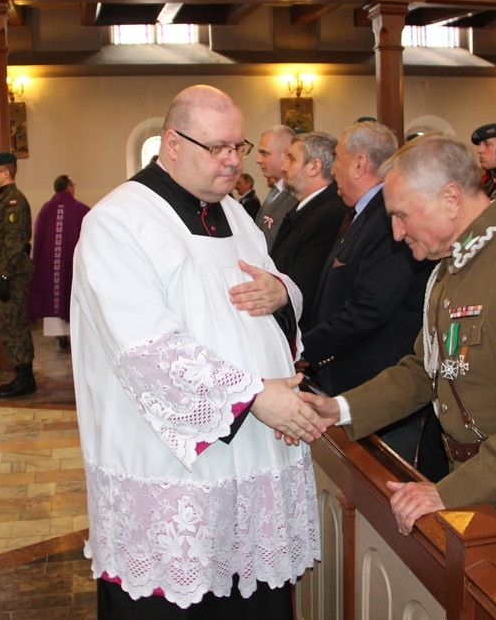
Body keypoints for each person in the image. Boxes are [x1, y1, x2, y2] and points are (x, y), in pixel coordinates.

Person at [71, 85, 326, 617]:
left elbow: (262, 298)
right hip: (171, 466)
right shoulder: (118, 222)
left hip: (254, 452)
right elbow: (145, 348)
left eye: (239, 146)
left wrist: (283, 292)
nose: (234, 160)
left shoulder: (234, 215)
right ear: (171, 144)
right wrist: (254, 396)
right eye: (217, 148)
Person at [303, 133, 496, 567]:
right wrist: (340, 410)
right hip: (477, 487)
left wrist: (447, 492)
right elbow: (426, 370)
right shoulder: (455, 263)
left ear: (452, 198)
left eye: (402, 215)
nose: (398, 233)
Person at [298, 120, 439, 476]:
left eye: (339, 159)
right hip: (350, 381)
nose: (333, 169)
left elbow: (369, 307)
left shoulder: (383, 217)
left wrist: (302, 349)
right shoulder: (362, 213)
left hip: (379, 388)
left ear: (360, 163)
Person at [268, 130, 348, 319]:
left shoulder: (328, 214)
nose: (284, 167)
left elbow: (303, 285)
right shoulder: (309, 208)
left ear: (314, 167)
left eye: (292, 159)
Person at [0, 152, 36, 398]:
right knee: (8, 324)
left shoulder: (14, 201)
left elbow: (15, 243)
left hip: (12, 273)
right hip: (3, 270)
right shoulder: (3, 200)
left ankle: (25, 378)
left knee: (15, 325)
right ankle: (21, 374)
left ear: (6, 173)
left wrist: (6, 275)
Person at [28, 174, 90, 349]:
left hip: (51, 265)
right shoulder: (80, 209)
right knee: (70, 293)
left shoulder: (46, 208)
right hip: (72, 264)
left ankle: (60, 337)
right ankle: (72, 336)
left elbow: (38, 237)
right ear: (69, 187)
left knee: (55, 294)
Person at [254, 125, 298, 248]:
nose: (258, 160)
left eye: (264, 153)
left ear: (286, 154)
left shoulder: (297, 195)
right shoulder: (276, 191)